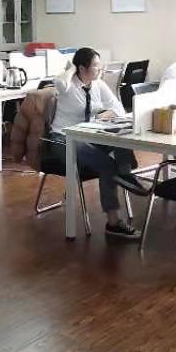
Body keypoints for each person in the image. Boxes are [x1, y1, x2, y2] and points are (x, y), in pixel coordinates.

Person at [52, 47, 143, 242]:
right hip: (63, 138)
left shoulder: (98, 84)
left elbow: (118, 109)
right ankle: (113, 222)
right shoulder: (68, 86)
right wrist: (71, 69)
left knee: (121, 140)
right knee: (107, 165)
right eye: (95, 66)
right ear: (82, 68)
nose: (100, 69)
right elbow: (59, 82)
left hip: (89, 133)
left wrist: (105, 115)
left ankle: (125, 173)